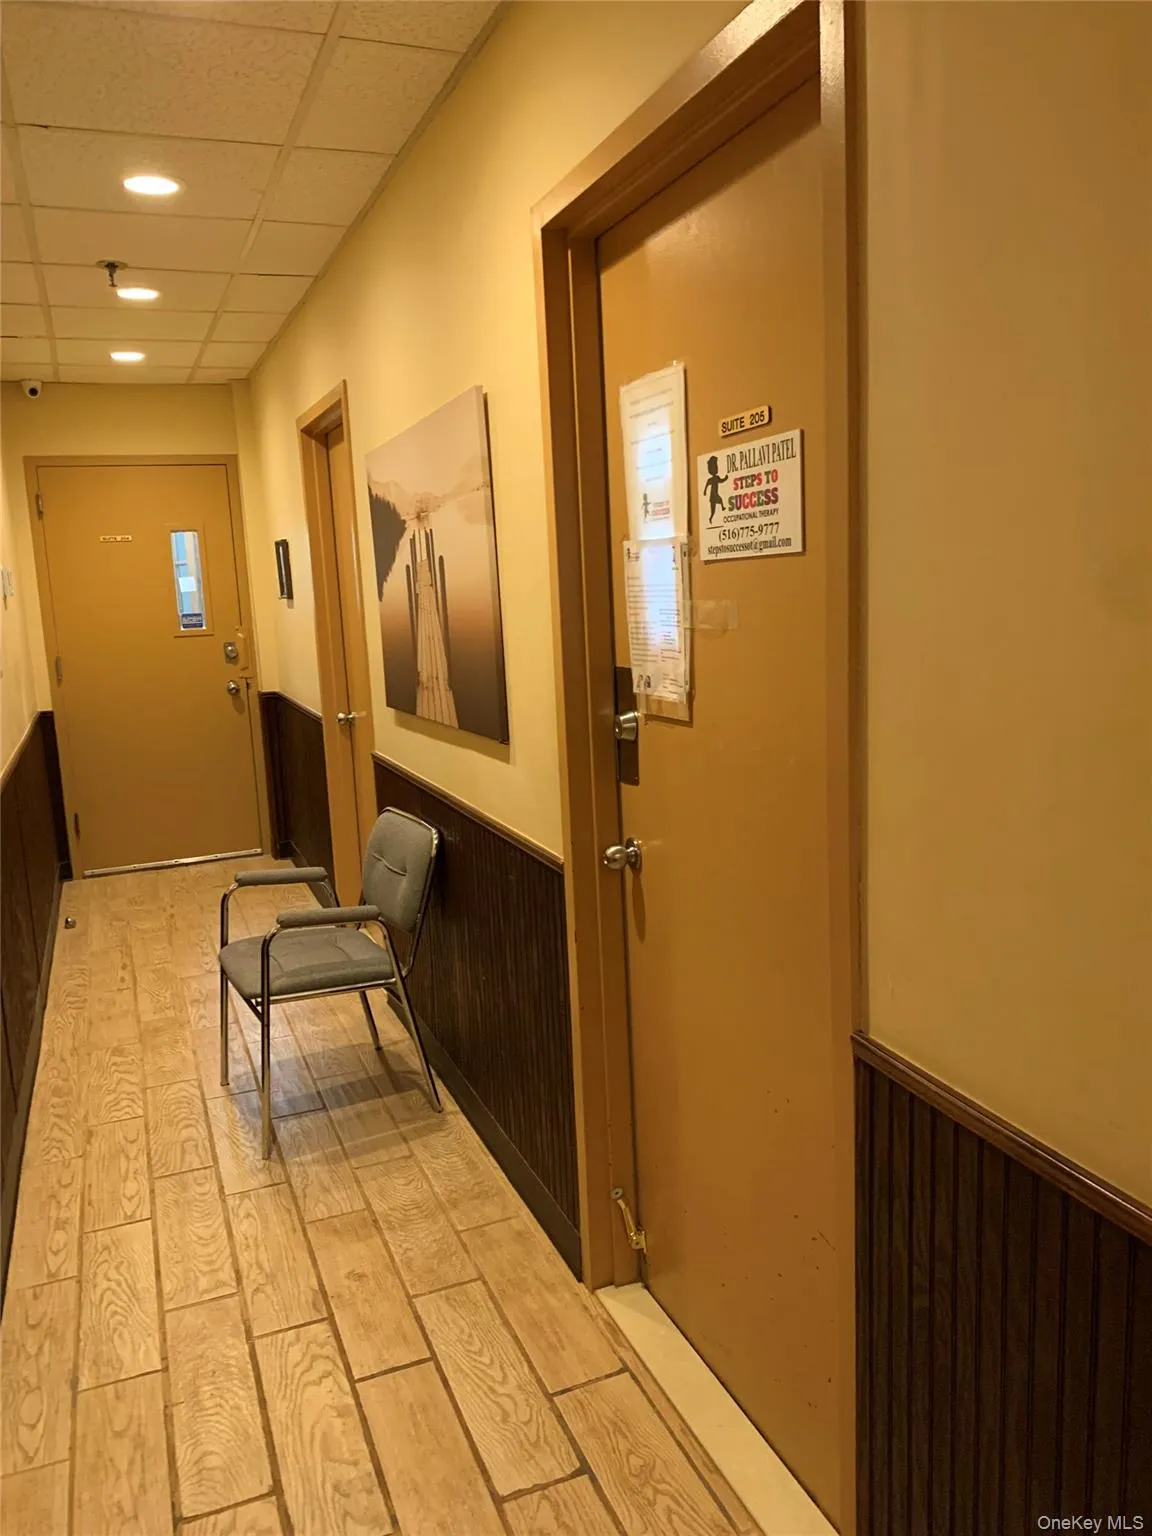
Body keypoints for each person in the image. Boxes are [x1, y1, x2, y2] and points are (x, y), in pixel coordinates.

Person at [703, 455, 728, 524]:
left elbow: (721, 480)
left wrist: (725, 478)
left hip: (715, 495)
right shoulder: (711, 479)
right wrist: (705, 491)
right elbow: (707, 485)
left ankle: (722, 507)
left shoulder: (716, 478)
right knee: (713, 510)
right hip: (713, 496)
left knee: (720, 500)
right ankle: (710, 518)